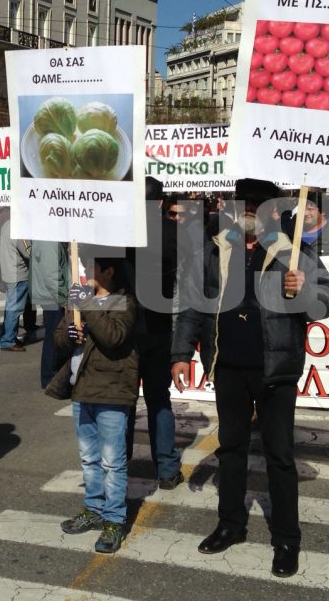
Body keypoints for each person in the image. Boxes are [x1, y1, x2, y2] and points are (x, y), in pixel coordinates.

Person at [171, 179, 329, 579]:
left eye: (259, 205)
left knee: (279, 456)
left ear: (274, 211)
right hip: (227, 367)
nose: (250, 212)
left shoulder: (295, 253)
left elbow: (326, 303)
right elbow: (192, 302)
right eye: (243, 204)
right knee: (231, 449)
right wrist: (179, 353)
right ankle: (231, 524)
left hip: (275, 370)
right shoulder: (213, 250)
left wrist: (304, 293)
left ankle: (286, 539)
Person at [47, 253, 139, 555]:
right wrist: (69, 333)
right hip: (81, 389)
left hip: (111, 390)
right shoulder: (80, 299)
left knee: (113, 460)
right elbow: (59, 339)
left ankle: (114, 519)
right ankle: (93, 507)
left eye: (92, 269)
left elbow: (113, 337)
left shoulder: (124, 301)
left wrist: (86, 305)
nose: (85, 274)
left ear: (109, 272)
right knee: (88, 457)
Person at [126, 180, 184, 490]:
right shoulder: (174, 233)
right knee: (159, 400)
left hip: (125, 329)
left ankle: (118, 464)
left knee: (124, 401)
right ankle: (166, 469)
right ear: (161, 202)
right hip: (160, 328)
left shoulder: (121, 231)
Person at [30, 240, 69, 389]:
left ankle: (52, 375)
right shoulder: (49, 242)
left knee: (54, 335)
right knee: (54, 336)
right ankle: (50, 377)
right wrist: (64, 299)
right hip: (52, 296)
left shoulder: (49, 240)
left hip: (51, 295)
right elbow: (52, 276)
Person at [0, 217, 32, 352]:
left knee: (10, 306)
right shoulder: (19, 227)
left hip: (9, 269)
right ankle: (8, 340)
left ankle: (9, 336)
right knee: (14, 307)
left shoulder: (6, 224)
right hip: (18, 272)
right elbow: (28, 251)